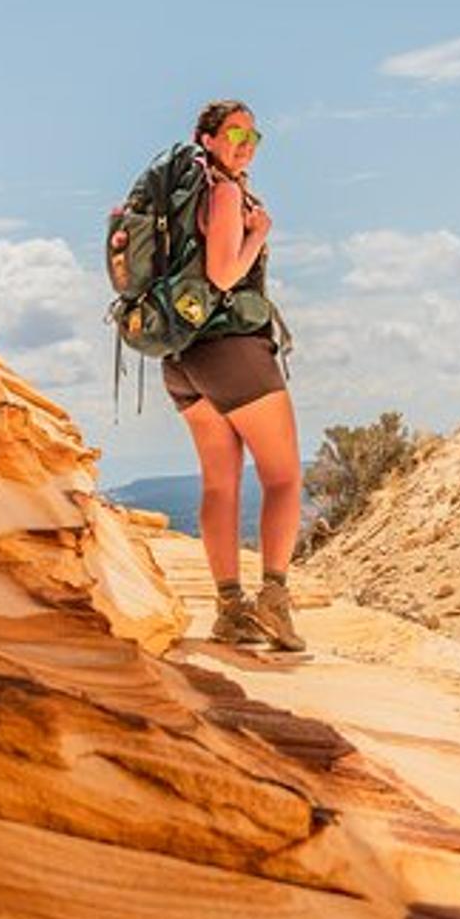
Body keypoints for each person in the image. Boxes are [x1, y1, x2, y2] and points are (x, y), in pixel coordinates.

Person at [163, 100, 305, 651]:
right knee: (284, 478)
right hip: (232, 351)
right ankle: (272, 600)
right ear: (207, 140)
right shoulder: (222, 192)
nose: (246, 143)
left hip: (182, 359)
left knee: (220, 483)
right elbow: (224, 273)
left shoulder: (182, 202)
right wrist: (259, 233)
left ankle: (230, 610)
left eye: (254, 134)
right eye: (235, 133)